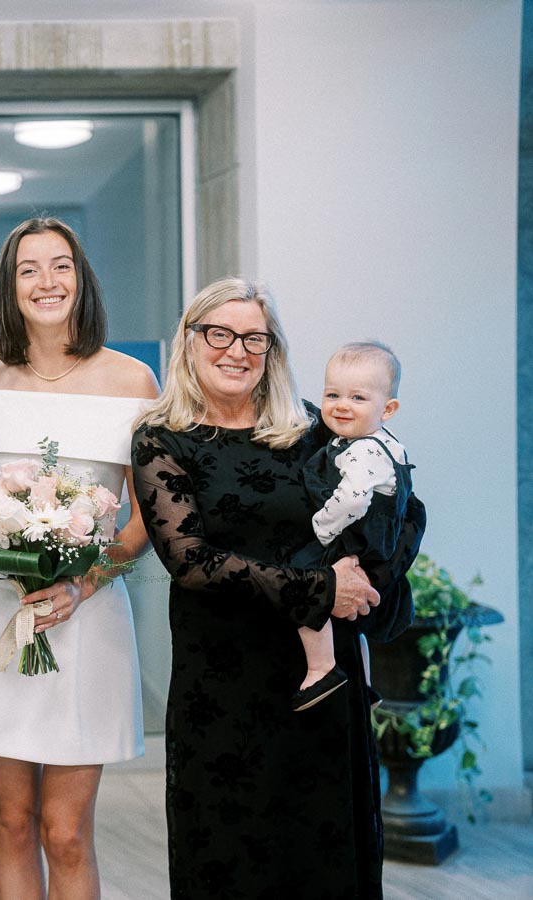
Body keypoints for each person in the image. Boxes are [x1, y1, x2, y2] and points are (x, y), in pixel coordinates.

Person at [130, 277, 424, 898]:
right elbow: (191, 560)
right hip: (223, 685)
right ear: (190, 342)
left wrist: (369, 582)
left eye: (254, 338)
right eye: (220, 334)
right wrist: (321, 589)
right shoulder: (162, 439)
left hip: (320, 682)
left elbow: (404, 508)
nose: (237, 350)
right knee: (230, 857)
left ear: (272, 350)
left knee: (322, 855)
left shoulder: (315, 428)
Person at [0, 217, 157, 899]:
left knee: (66, 831)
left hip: (89, 618)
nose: (47, 281)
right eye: (28, 269)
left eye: (61, 265)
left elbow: (146, 520)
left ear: (82, 277)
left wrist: (85, 583)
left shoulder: (133, 381)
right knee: (12, 822)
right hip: (3, 618)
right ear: (9, 288)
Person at [290, 341, 413, 711]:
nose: (342, 405)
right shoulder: (383, 443)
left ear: (387, 408)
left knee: (302, 582)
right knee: (356, 623)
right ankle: (366, 683)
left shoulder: (362, 450)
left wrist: (321, 526)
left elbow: (354, 499)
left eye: (358, 398)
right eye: (333, 394)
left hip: (356, 536)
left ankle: (321, 667)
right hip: (375, 538)